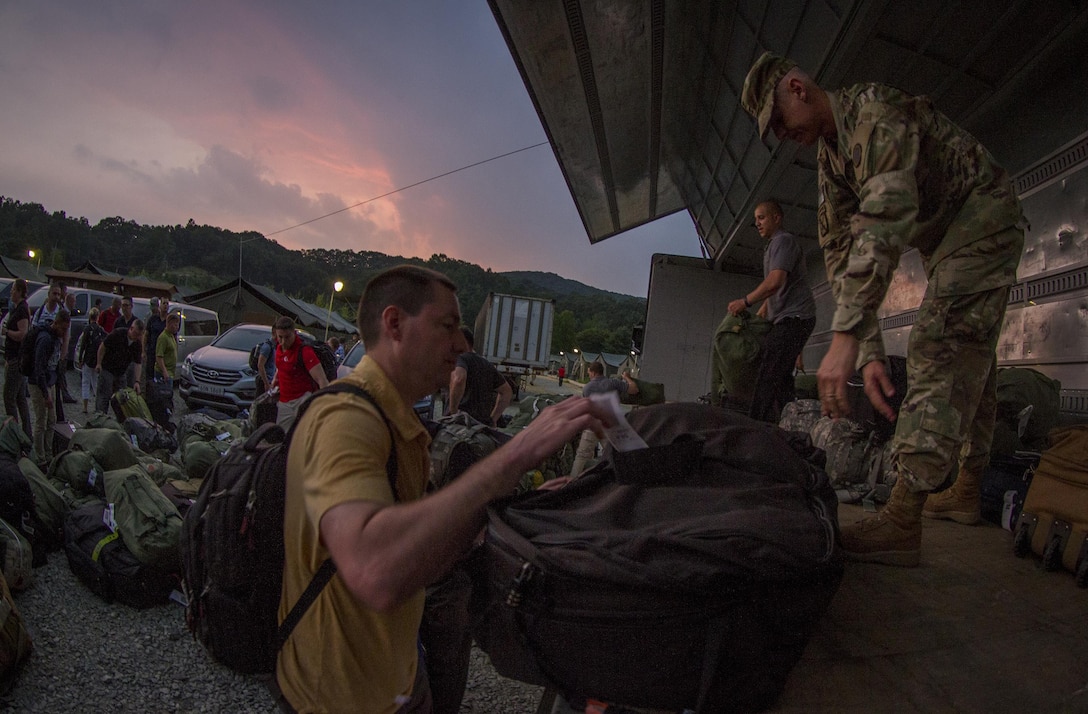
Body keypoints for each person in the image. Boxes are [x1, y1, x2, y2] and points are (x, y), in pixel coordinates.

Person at [276, 265, 610, 714]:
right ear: (394, 324)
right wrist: (515, 455)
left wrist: (520, 508)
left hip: (396, 678)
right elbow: (375, 570)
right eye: (446, 326)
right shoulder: (345, 420)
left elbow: (425, 534)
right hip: (339, 697)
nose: (458, 344)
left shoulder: (402, 423)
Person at [741, 52, 1024, 566]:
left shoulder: (871, 112)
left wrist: (847, 334)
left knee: (939, 345)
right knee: (972, 358)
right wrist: (868, 350)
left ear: (799, 88)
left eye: (779, 119)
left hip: (982, 213)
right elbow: (840, 252)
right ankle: (966, 485)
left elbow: (889, 208)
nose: (781, 134)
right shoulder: (830, 161)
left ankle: (901, 517)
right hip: (947, 238)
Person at [727, 199, 816, 423]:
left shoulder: (783, 241)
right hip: (789, 321)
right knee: (781, 379)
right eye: (755, 219)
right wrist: (757, 319)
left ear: (777, 218)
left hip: (794, 319)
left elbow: (775, 282)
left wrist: (744, 302)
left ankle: (755, 427)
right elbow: (774, 292)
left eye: (762, 217)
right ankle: (787, 426)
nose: (757, 223)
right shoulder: (771, 247)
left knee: (767, 374)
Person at [571, 361, 640, 476]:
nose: (589, 375)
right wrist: (627, 378)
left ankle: (572, 482)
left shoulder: (587, 388)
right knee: (613, 455)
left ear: (593, 372)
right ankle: (617, 483)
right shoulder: (613, 383)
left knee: (581, 456)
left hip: (592, 426)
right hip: (610, 426)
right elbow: (634, 390)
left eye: (589, 373)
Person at [269, 316, 329, 431]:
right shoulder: (278, 348)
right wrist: (275, 381)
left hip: (303, 400)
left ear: (294, 333)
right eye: (280, 337)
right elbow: (281, 368)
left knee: (305, 436)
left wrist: (324, 403)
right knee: (283, 439)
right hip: (284, 403)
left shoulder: (305, 352)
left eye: (287, 337)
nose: (283, 342)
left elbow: (321, 379)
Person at [446, 326, 512, 426]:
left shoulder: (460, 359)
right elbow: (507, 391)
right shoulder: (487, 365)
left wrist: (453, 412)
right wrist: (493, 419)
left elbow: (459, 379)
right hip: (481, 428)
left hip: (460, 426)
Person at [29, 309, 69, 464]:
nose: (64, 333)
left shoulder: (57, 338)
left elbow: (57, 362)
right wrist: (46, 394)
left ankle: (48, 453)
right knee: (41, 420)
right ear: (56, 323)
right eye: (63, 329)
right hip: (39, 383)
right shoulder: (45, 339)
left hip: (50, 381)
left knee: (51, 420)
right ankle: (39, 457)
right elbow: (38, 368)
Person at [2, 279, 32, 438]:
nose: (11, 292)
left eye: (14, 289)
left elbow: (23, 334)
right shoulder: (17, 308)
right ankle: (26, 433)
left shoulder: (21, 310)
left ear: (20, 291)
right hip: (13, 358)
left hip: (16, 359)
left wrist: (7, 332)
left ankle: (13, 433)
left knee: (9, 397)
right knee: (20, 399)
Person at [94, 320, 145, 415]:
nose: (137, 337)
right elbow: (102, 347)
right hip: (107, 368)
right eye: (136, 334)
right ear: (131, 329)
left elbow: (138, 363)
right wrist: (99, 363)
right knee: (104, 396)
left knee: (122, 398)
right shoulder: (118, 333)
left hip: (121, 372)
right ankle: (100, 418)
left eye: (139, 335)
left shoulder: (137, 344)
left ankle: (122, 421)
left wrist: (137, 381)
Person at [74, 307, 107, 415]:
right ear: (97, 317)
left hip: (88, 359)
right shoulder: (100, 330)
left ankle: (85, 406)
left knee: (85, 382)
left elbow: (83, 345)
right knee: (96, 383)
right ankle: (97, 406)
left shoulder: (87, 329)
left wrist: (80, 359)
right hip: (97, 360)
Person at [255, 326, 276, 394]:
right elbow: (260, 365)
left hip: (271, 381)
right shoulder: (267, 347)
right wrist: (266, 383)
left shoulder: (275, 347)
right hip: (264, 381)